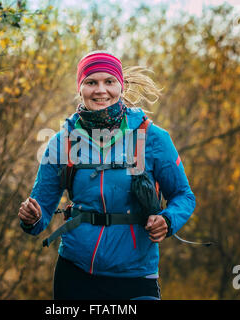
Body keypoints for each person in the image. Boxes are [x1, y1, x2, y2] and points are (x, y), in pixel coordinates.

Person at [18, 51, 196, 300]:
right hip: (76, 273)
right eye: (91, 82)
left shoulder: (153, 137)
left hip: (135, 276)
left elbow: (183, 196)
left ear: (120, 87)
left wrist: (168, 220)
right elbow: (39, 215)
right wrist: (31, 218)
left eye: (109, 82)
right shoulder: (63, 142)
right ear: (80, 88)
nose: (100, 90)